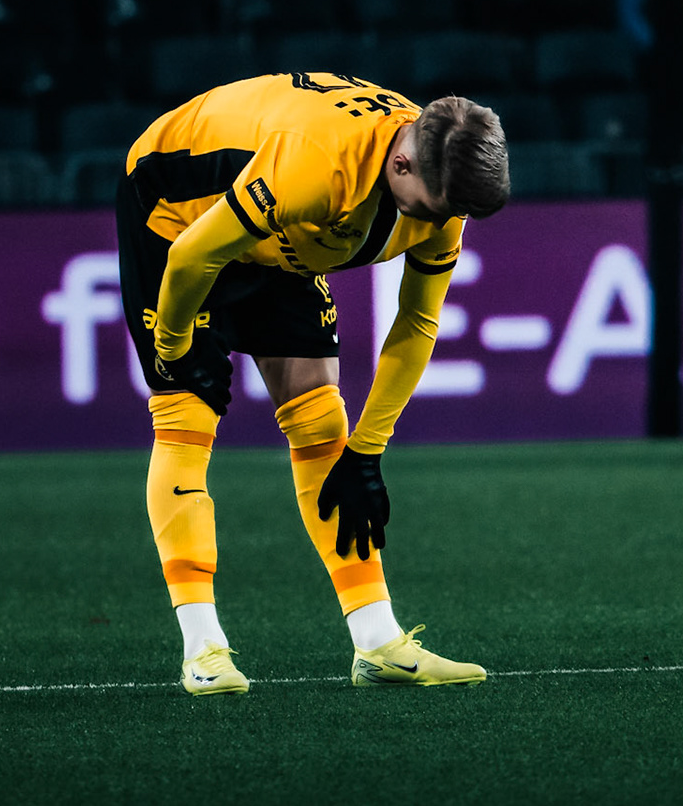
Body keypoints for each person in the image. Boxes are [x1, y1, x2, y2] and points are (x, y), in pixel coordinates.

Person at [116, 74, 511, 695]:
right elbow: (194, 255)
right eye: (437, 208)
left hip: (280, 233)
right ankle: (202, 649)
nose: (444, 223)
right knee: (187, 411)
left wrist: (367, 451)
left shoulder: (439, 189)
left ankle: (377, 643)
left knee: (323, 421)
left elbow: (416, 322)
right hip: (177, 213)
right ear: (401, 163)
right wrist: (173, 345)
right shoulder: (319, 165)